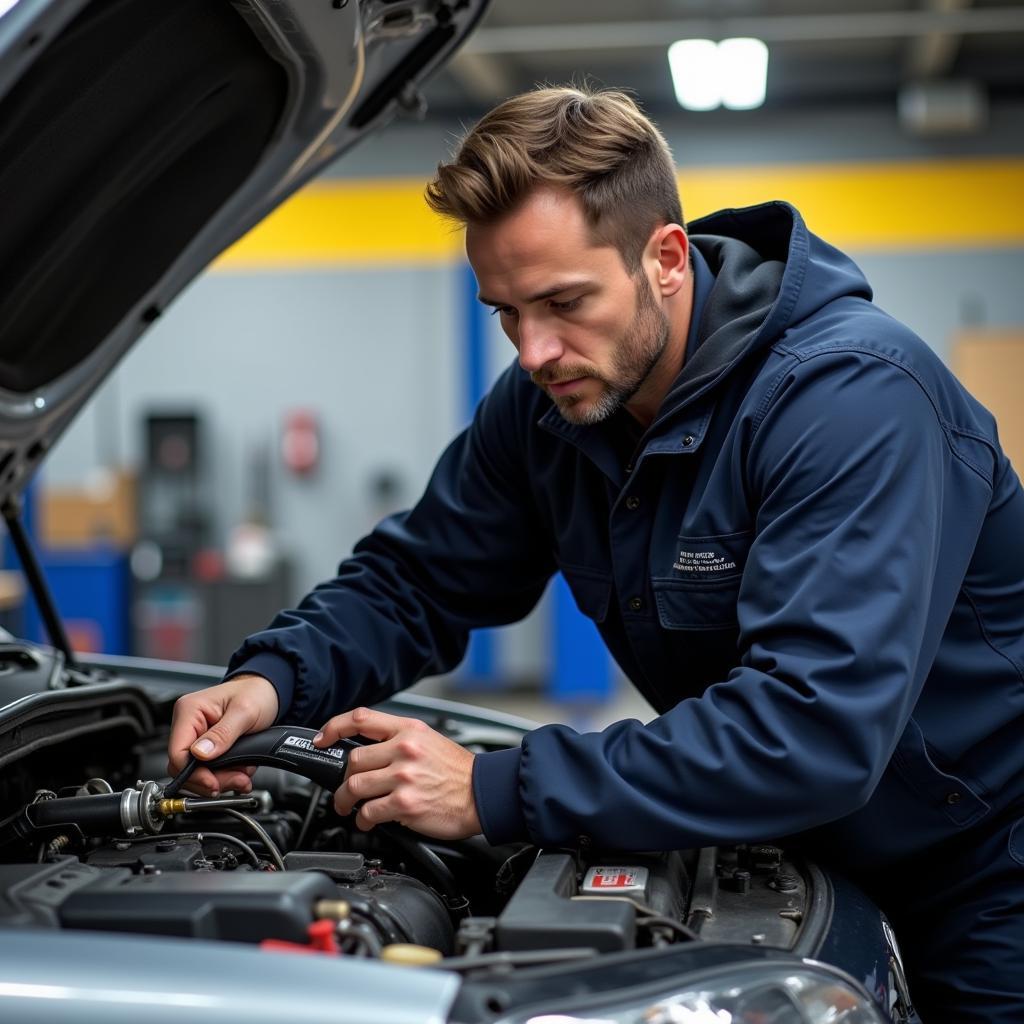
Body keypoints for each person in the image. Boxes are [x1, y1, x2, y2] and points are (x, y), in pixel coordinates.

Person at [168, 86, 1024, 1019]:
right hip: (797, 847)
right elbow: (418, 579)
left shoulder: (851, 400)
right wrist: (274, 682)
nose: (534, 351)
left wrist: (493, 787)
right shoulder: (552, 404)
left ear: (665, 257)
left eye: (564, 303)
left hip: (981, 870)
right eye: (506, 313)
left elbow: (811, 730)